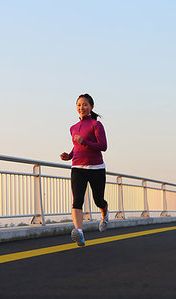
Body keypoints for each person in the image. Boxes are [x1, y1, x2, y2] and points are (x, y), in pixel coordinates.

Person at [60, 94, 108, 247]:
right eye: (79, 105)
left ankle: (104, 212)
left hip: (96, 168)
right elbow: (76, 147)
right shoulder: (73, 128)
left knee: (98, 200)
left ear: (91, 107)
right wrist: (70, 155)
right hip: (77, 167)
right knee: (77, 200)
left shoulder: (96, 125)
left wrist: (85, 142)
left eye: (85, 104)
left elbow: (103, 146)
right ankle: (79, 232)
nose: (82, 107)